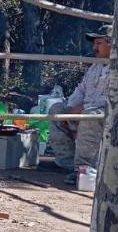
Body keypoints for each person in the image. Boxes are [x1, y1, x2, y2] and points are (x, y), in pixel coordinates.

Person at [47, 24, 112, 175]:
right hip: (84, 110)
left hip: (103, 115)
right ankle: (66, 163)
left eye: (99, 43)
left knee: (90, 116)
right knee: (56, 110)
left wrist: (79, 110)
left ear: (111, 43)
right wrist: (69, 110)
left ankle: (84, 169)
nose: (95, 47)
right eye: (94, 43)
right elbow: (81, 90)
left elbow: (109, 100)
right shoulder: (95, 66)